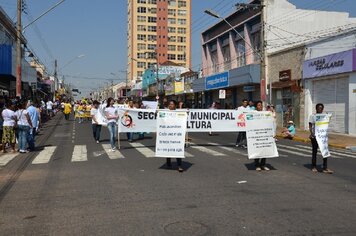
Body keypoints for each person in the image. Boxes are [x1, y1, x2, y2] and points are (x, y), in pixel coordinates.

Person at [309, 103, 333, 174]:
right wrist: (312, 133)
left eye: (321, 108)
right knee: (314, 152)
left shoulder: (324, 116)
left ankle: (325, 168)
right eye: (319, 108)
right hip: (315, 137)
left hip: (323, 137)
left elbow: (327, 122)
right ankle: (313, 166)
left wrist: (328, 115)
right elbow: (310, 125)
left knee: (325, 152)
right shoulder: (313, 116)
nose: (320, 109)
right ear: (316, 109)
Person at [165, 100, 184, 172]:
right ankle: (168, 163)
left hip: (176, 134)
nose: (170, 105)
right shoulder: (165, 112)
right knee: (168, 149)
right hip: (167, 134)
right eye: (169, 104)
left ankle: (179, 165)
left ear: (175, 106)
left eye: (172, 104)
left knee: (177, 149)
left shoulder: (178, 112)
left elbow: (182, 117)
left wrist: (181, 107)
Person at [254, 101, 269, 171]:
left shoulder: (265, 113)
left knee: (264, 150)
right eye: (259, 105)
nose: (260, 106)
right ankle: (257, 165)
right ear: (256, 106)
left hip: (263, 134)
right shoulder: (253, 113)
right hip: (256, 135)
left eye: (261, 105)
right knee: (257, 151)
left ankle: (263, 164)